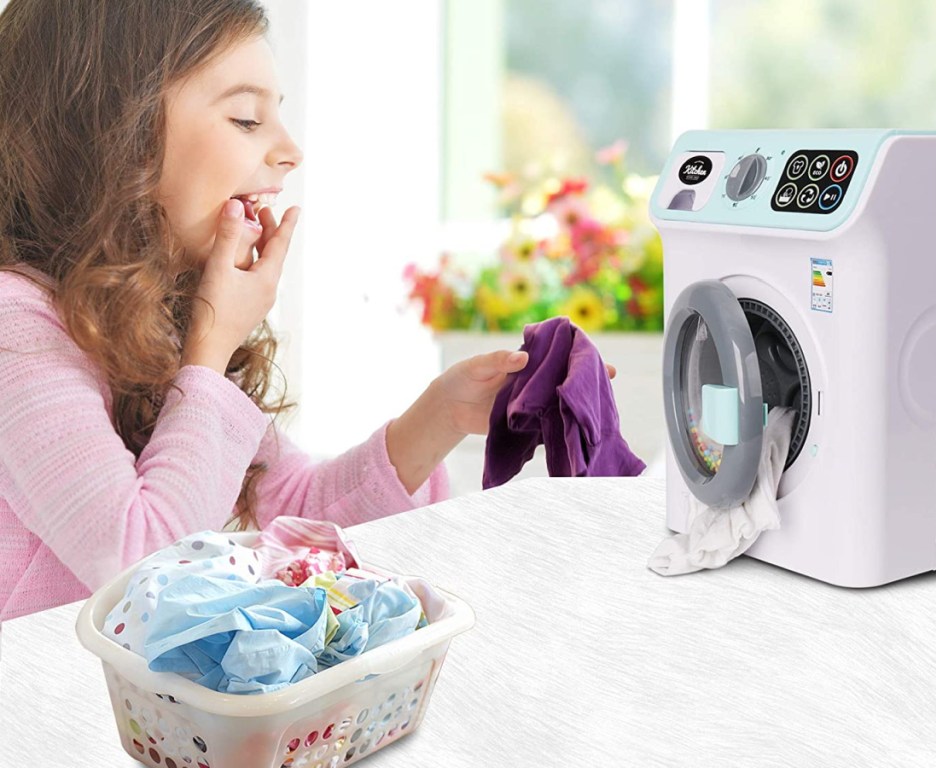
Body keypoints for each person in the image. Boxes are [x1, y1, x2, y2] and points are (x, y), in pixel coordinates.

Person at [0, 0, 613, 623]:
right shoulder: (14, 327)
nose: (290, 151)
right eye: (245, 118)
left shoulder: (151, 321)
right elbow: (143, 568)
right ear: (109, 134)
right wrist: (210, 351)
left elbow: (295, 510)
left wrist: (443, 413)